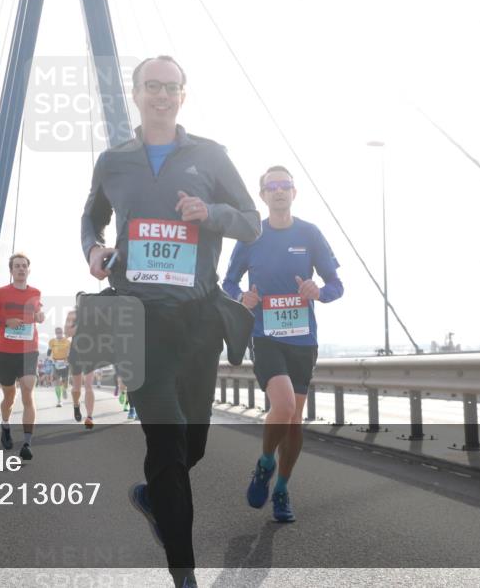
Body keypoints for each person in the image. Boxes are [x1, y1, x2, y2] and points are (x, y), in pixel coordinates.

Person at [81, 55, 260, 588]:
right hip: (136, 319)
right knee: (166, 442)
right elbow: (91, 215)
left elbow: (249, 222)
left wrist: (212, 215)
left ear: (184, 95)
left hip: (198, 318)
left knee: (192, 444)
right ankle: (184, 576)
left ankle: (154, 497)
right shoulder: (114, 160)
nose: (161, 94)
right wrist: (93, 248)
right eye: (151, 86)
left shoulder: (210, 156)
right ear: (134, 94)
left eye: (171, 87)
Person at [223, 165, 343, 522]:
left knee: (294, 421)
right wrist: (242, 297)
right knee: (285, 403)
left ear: (294, 192)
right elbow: (228, 284)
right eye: (271, 186)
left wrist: (318, 291)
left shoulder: (310, 233)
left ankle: (282, 489)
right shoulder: (250, 237)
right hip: (265, 336)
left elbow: (337, 286)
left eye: (284, 185)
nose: (278, 191)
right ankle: (264, 465)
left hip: (303, 340)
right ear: (262, 195)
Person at [0, 253, 44, 461]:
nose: (21, 269)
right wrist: (6, 322)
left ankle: (27, 442)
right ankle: (5, 424)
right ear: (11, 270)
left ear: (28, 269)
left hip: (28, 350)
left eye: (24, 266)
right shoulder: (0, 293)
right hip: (6, 352)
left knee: (27, 391)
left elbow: (39, 311)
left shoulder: (35, 292)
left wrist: (40, 315)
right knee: (9, 397)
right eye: (17, 266)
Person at [47, 327, 71, 407]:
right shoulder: (52, 341)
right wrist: (50, 359)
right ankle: (59, 400)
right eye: (57, 332)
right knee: (57, 382)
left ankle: (64, 389)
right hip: (55, 363)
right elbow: (49, 352)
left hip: (65, 363)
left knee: (65, 381)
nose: (59, 334)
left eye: (60, 332)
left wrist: (67, 359)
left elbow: (70, 352)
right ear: (55, 333)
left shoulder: (67, 341)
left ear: (62, 332)